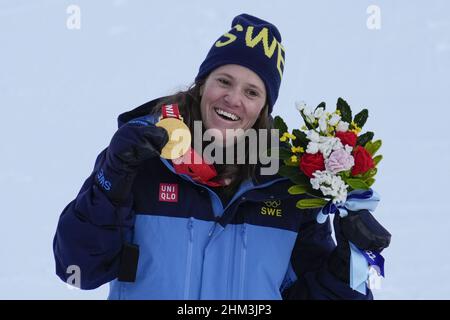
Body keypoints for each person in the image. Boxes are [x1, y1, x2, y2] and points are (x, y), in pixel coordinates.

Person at [53, 13, 391, 300]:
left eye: (251, 91)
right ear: (202, 85)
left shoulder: (285, 187)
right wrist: (112, 179)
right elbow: (78, 270)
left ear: (264, 108)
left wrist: (349, 262)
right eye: (224, 81)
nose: (233, 99)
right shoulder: (140, 157)